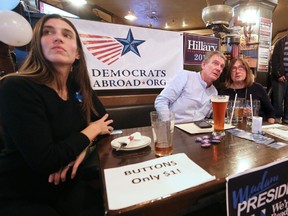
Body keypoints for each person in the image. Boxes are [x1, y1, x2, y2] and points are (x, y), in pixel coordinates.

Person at [0, 14, 113, 216]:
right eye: (48, 32)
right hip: (25, 194)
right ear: (37, 45)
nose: (58, 38)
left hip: (69, 183)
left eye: (67, 35)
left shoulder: (78, 87)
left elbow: (108, 126)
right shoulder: (17, 87)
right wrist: (92, 130)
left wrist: (83, 148)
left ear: (77, 53)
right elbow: (47, 161)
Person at [154, 51, 226, 123]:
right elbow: (161, 101)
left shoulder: (214, 92)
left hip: (199, 130)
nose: (219, 69)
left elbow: (209, 116)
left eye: (221, 66)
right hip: (176, 127)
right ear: (203, 65)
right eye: (215, 63)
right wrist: (168, 125)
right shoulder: (185, 76)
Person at [220, 58, 275, 123]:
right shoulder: (224, 91)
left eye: (241, 68)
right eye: (233, 69)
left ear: (247, 71)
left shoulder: (258, 88)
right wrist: (234, 112)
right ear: (229, 73)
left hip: (257, 128)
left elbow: (270, 113)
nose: (237, 71)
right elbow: (219, 115)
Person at [271, 35, 288, 124]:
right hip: (280, 77)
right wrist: (279, 74)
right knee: (278, 99)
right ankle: (277, 119)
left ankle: (286, 119)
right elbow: (274, 60)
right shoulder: (280, 43)